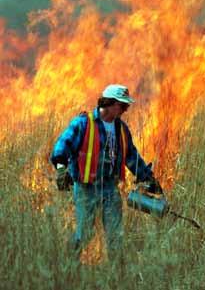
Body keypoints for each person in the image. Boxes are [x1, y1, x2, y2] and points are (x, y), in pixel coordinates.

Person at [50, 84, 161, 261]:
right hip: (86, 188)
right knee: (85, 233)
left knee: (115, 236)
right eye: (123, 105)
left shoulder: (122, 129)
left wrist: (148, 178)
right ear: (110, 103)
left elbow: (131, 156)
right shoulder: (83, 123)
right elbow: (61, 147)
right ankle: (67, 265)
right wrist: (61, 170)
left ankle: (116, 275)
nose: (126, 109)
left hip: (110, 188)